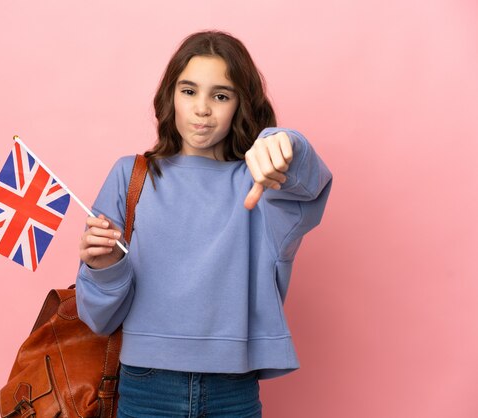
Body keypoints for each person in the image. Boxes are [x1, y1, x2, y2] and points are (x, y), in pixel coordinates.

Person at [75, 30, 332, 418]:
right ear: (170, 96)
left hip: (233, 389)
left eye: (221, 95)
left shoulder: (260, 183)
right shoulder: (131, 176)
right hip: (146, 387)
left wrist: (285, 144)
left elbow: (309, 188)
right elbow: (97, 317)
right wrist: (104, 266)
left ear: (240, 104)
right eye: (189, 91)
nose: (202, 110)